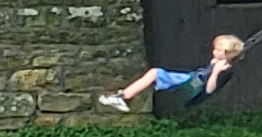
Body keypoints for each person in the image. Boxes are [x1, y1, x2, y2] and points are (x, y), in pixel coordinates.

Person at [101, 32, 244, 114]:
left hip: (192, 84)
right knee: (154, 74)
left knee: (155, 73)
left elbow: (210, 90)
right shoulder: (218, 62)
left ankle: (123, 96)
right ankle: (123, 96)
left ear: (229, 54)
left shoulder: (225, 70)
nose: (214, 52)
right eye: (215, 49)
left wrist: (216, 72)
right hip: (191, 79)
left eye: (219, 50)